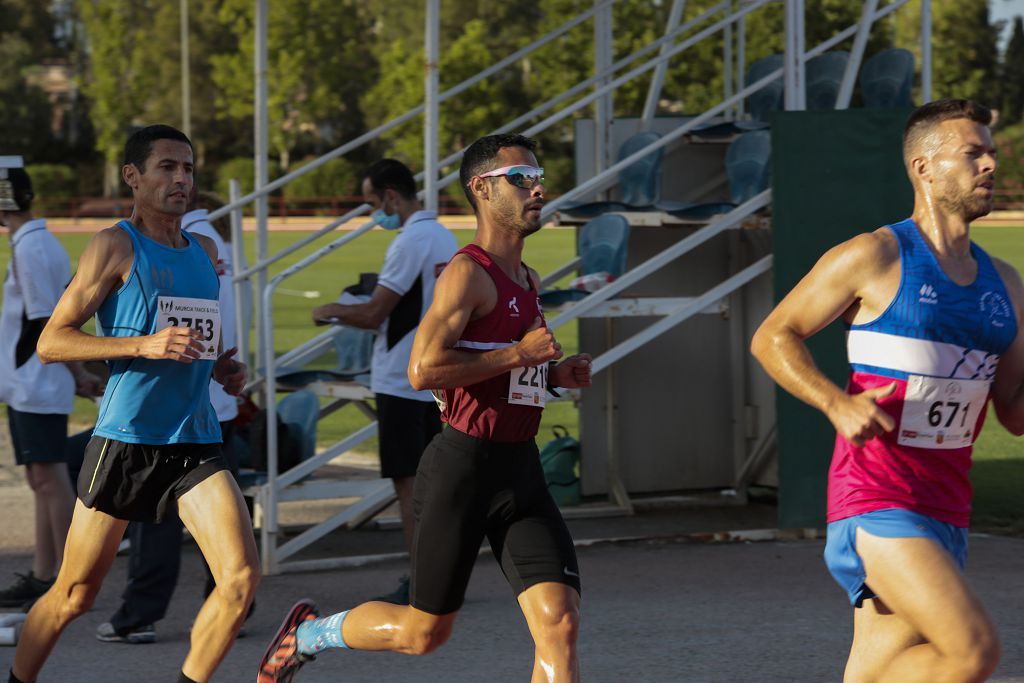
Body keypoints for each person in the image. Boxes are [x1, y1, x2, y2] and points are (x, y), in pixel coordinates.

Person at [258, 133, 592, 683]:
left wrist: (552, 374)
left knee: (560, 623)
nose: (537, 190)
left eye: (538, 179)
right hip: (462, 466)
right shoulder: (467, 272)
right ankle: (307, 636)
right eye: (521, 179)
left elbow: (506, 371)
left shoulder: (528, 279)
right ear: (482, 189)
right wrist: (518, 352)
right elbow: (423, 371)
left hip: (520, 469)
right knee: (424, 634)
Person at [751, 99, 1023, 682]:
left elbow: (1016, 411)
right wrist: (834, 401)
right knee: (972, 651)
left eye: (992, 154)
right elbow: (774, 336)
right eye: (972, 154)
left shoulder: (1007, 284)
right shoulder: (875, 255)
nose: (989, 166)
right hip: (877, 498)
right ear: (923, 168)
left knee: (881, 669)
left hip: (947, 505)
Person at [9, 124, 258, 683]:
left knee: (240, 579)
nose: (181, 179)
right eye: (167, 167)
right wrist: (142, 344)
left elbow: (195, 336)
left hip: (194, 441)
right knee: (73, 596)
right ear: (133, 176)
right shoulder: (114, 245)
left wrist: (221, 366)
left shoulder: (205, 250)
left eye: (188, 169)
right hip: (126, 442)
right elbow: (53, 341)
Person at [94, 189, 253, 645]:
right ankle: (232, 607)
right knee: (222, 526)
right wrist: (221, 364)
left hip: (165, 414)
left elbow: (185, 329)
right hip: (208, 407)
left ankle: (139, 614)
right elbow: (212, 324)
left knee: (152, 523)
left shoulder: (188, 245)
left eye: (183, 169)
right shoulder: (212, 244)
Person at [310, 158, 457, 604]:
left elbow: (377, 312)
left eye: (373, 202)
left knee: (410, 485)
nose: (374, 212)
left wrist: (332, 310)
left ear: (392, 196)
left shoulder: (410, 240)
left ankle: (422, 583)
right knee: (433, 483)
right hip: (436, 374)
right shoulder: (445, 237)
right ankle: (443, 577)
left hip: (400, 377)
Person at [0, 162, 103, 611]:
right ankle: (46, 574)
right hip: (30, 381)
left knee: (51, 477)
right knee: (40, 478)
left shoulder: (31, 247)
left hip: (38, 381)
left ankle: (67, 581)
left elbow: (48, 321)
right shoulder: (32, 242)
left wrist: (77, 373)